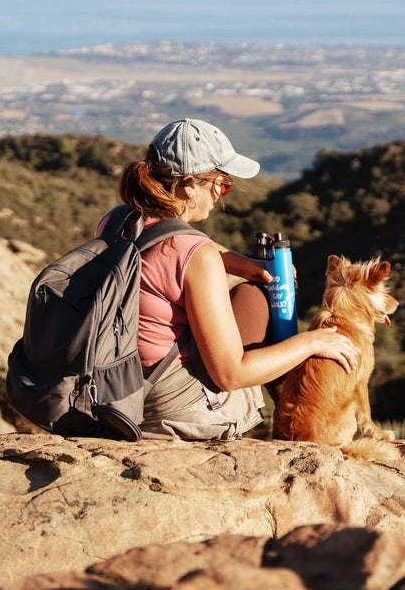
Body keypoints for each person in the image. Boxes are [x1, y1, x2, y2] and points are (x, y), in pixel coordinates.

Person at [103, 118, 358, 440]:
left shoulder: (117, 219)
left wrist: (244, 264)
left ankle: (295, 414)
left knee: (251, 291)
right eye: (222, 184)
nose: (220, 196)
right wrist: (313, 342)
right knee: (256, 298)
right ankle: (302, 422)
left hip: (118, 388)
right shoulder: (195, 255)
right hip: (167, 407)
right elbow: (230, 375)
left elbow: (170, 240)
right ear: (190, 185)